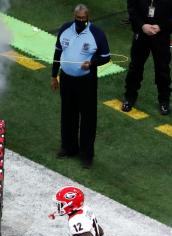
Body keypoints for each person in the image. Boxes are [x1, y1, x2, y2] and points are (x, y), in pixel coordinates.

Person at [52, 4, 111, 169]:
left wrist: (91, 63)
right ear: (74, 17)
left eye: (83, 19)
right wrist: (53, 75)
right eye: (78, 18)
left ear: (88, 18)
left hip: (86, 81)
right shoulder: (65, 29)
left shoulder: (97, 34)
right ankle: (68, 147)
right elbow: (57, 52)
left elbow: (106, 57)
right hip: (66, 79)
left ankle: (86, 155)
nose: (80, 21)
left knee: (88, 118)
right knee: (67, 113)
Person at [123, 0, 172, 115]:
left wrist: (160, 27)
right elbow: (132, 9)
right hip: (141, 33)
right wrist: (142, 26)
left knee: (162, 69)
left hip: (161, 36)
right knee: (135, 67)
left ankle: (164, 101)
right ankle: (129, 97)